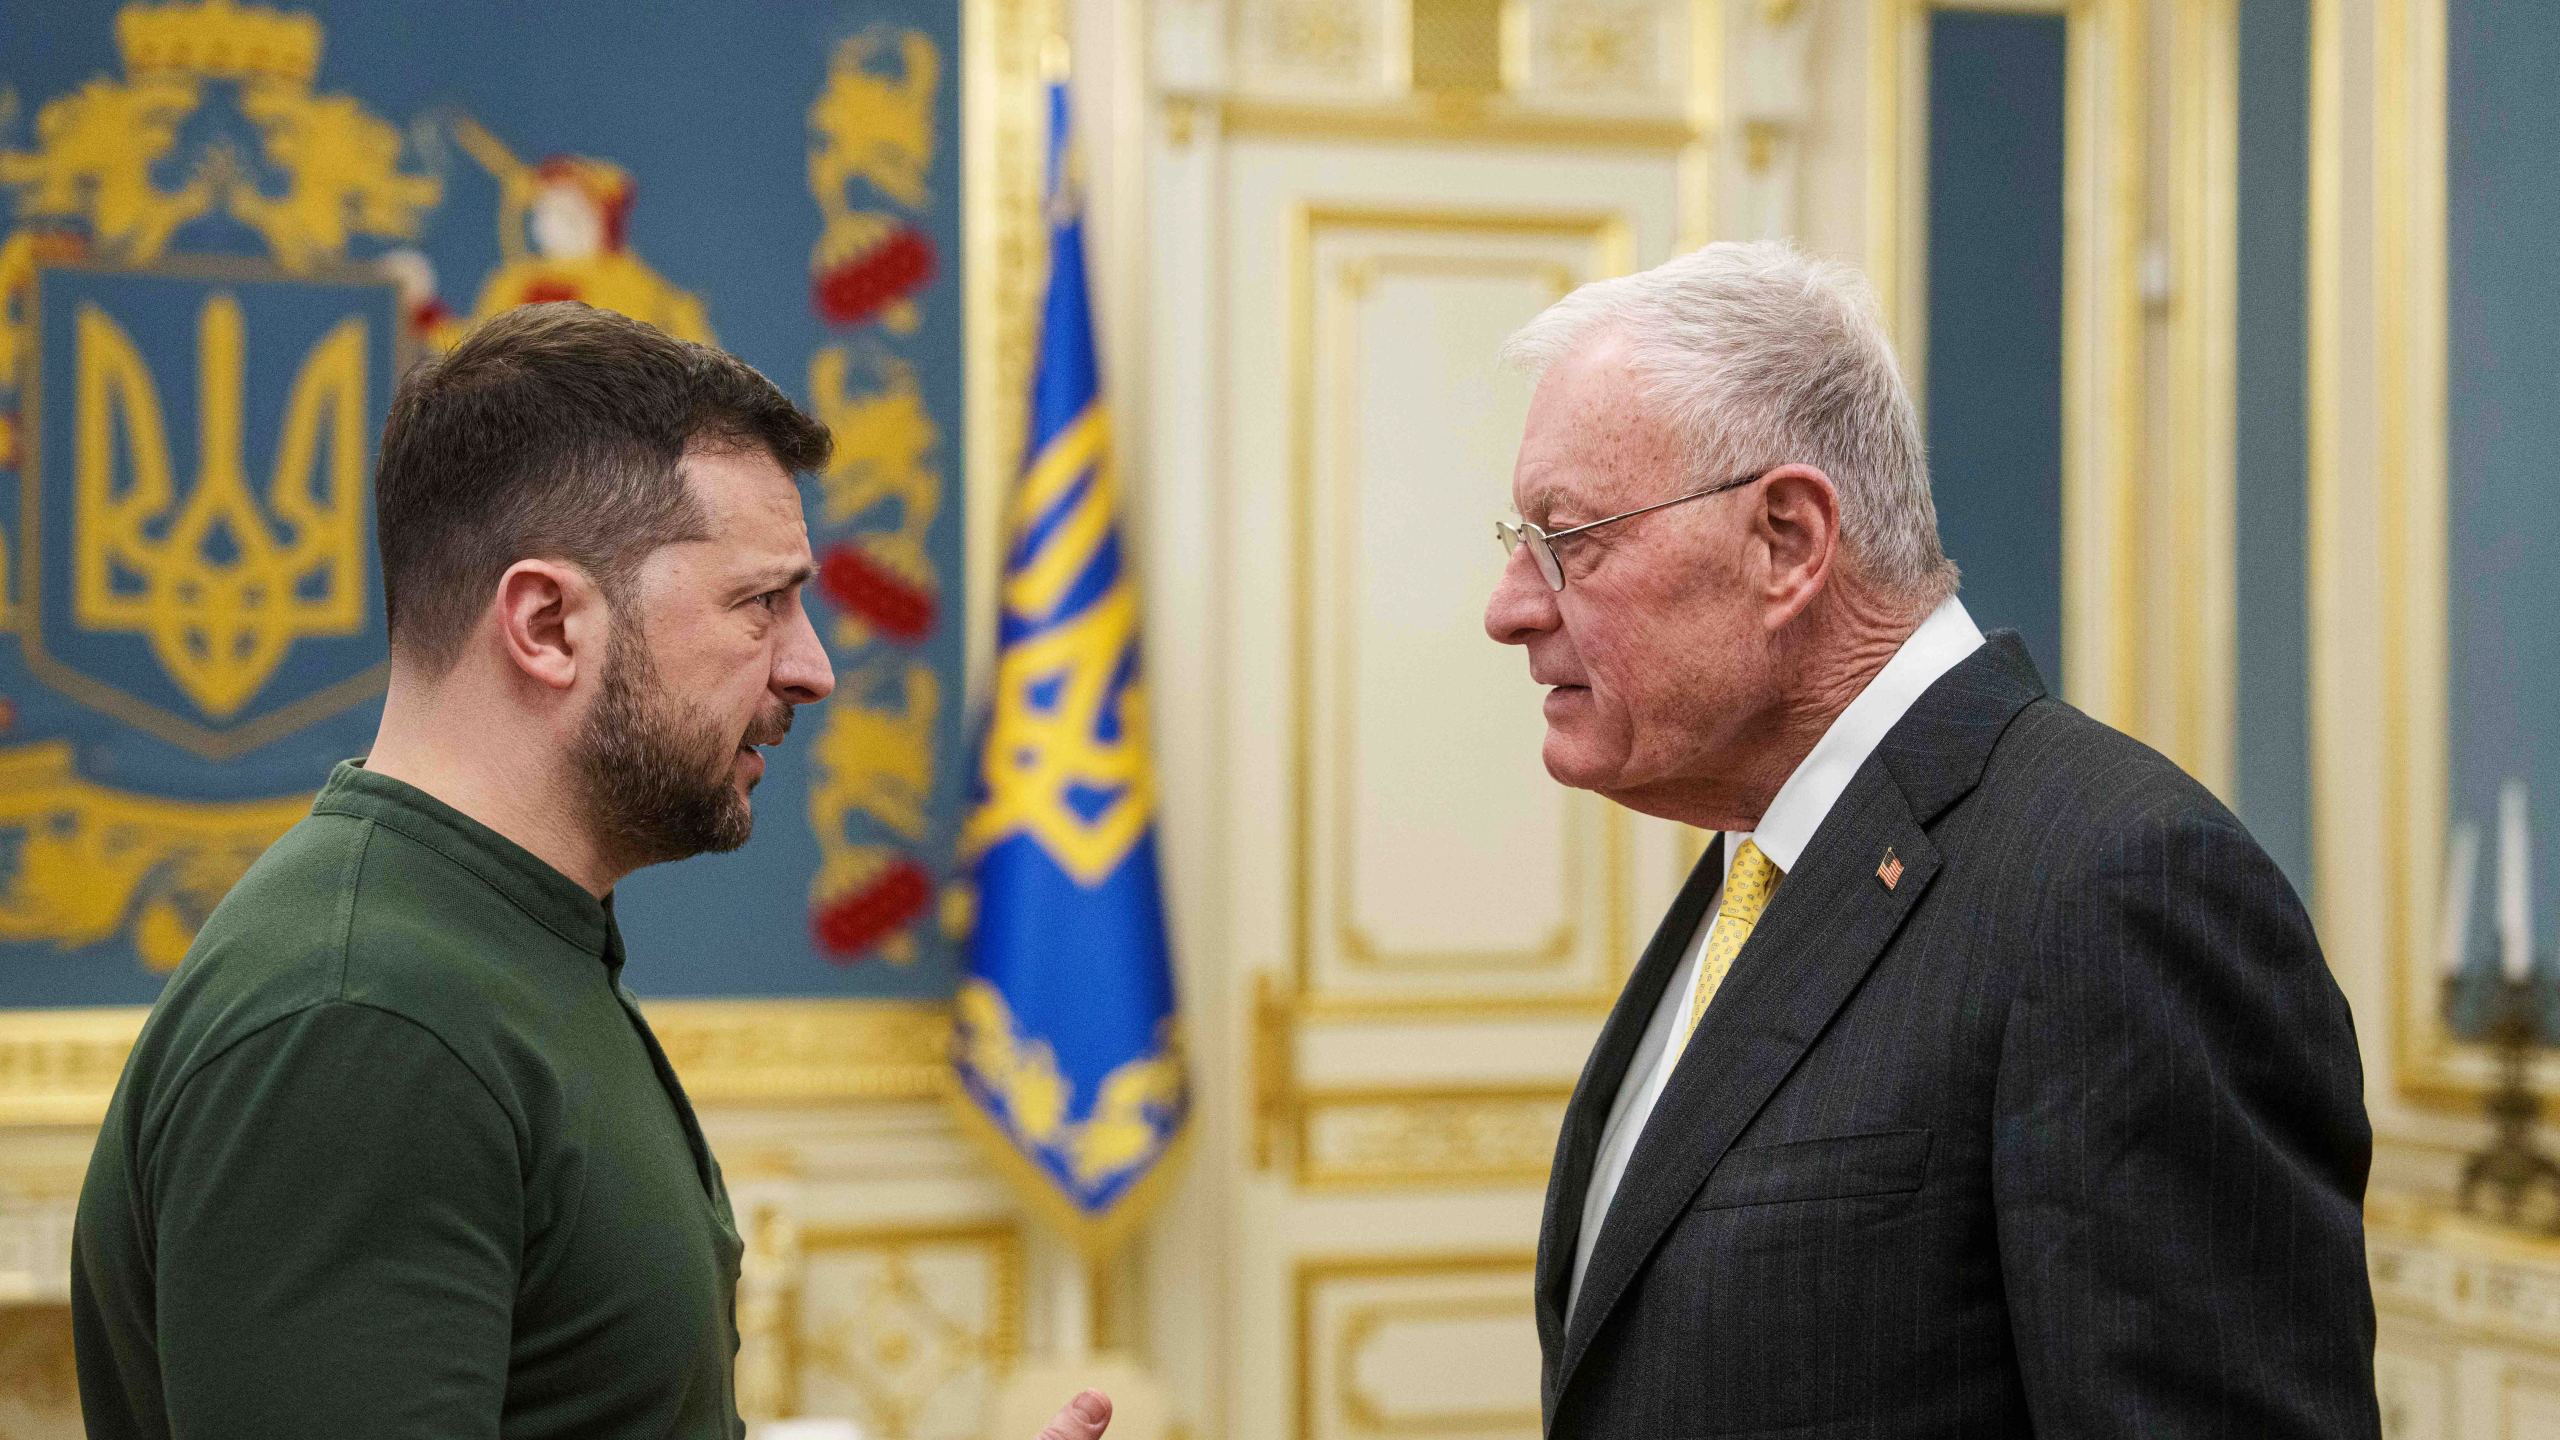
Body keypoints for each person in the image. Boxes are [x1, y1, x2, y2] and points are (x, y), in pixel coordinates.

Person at [71, 302, 1113, 1440]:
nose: (810, 668)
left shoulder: (490, 944)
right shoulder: (368, 1022)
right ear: (548, 623)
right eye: (760, 603)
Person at [1485, 242, 2379, 1438]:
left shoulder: (2118, 887)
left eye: (1570, 537)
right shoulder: (1759, 857)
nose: (1511, 607)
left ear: (1788, 542)